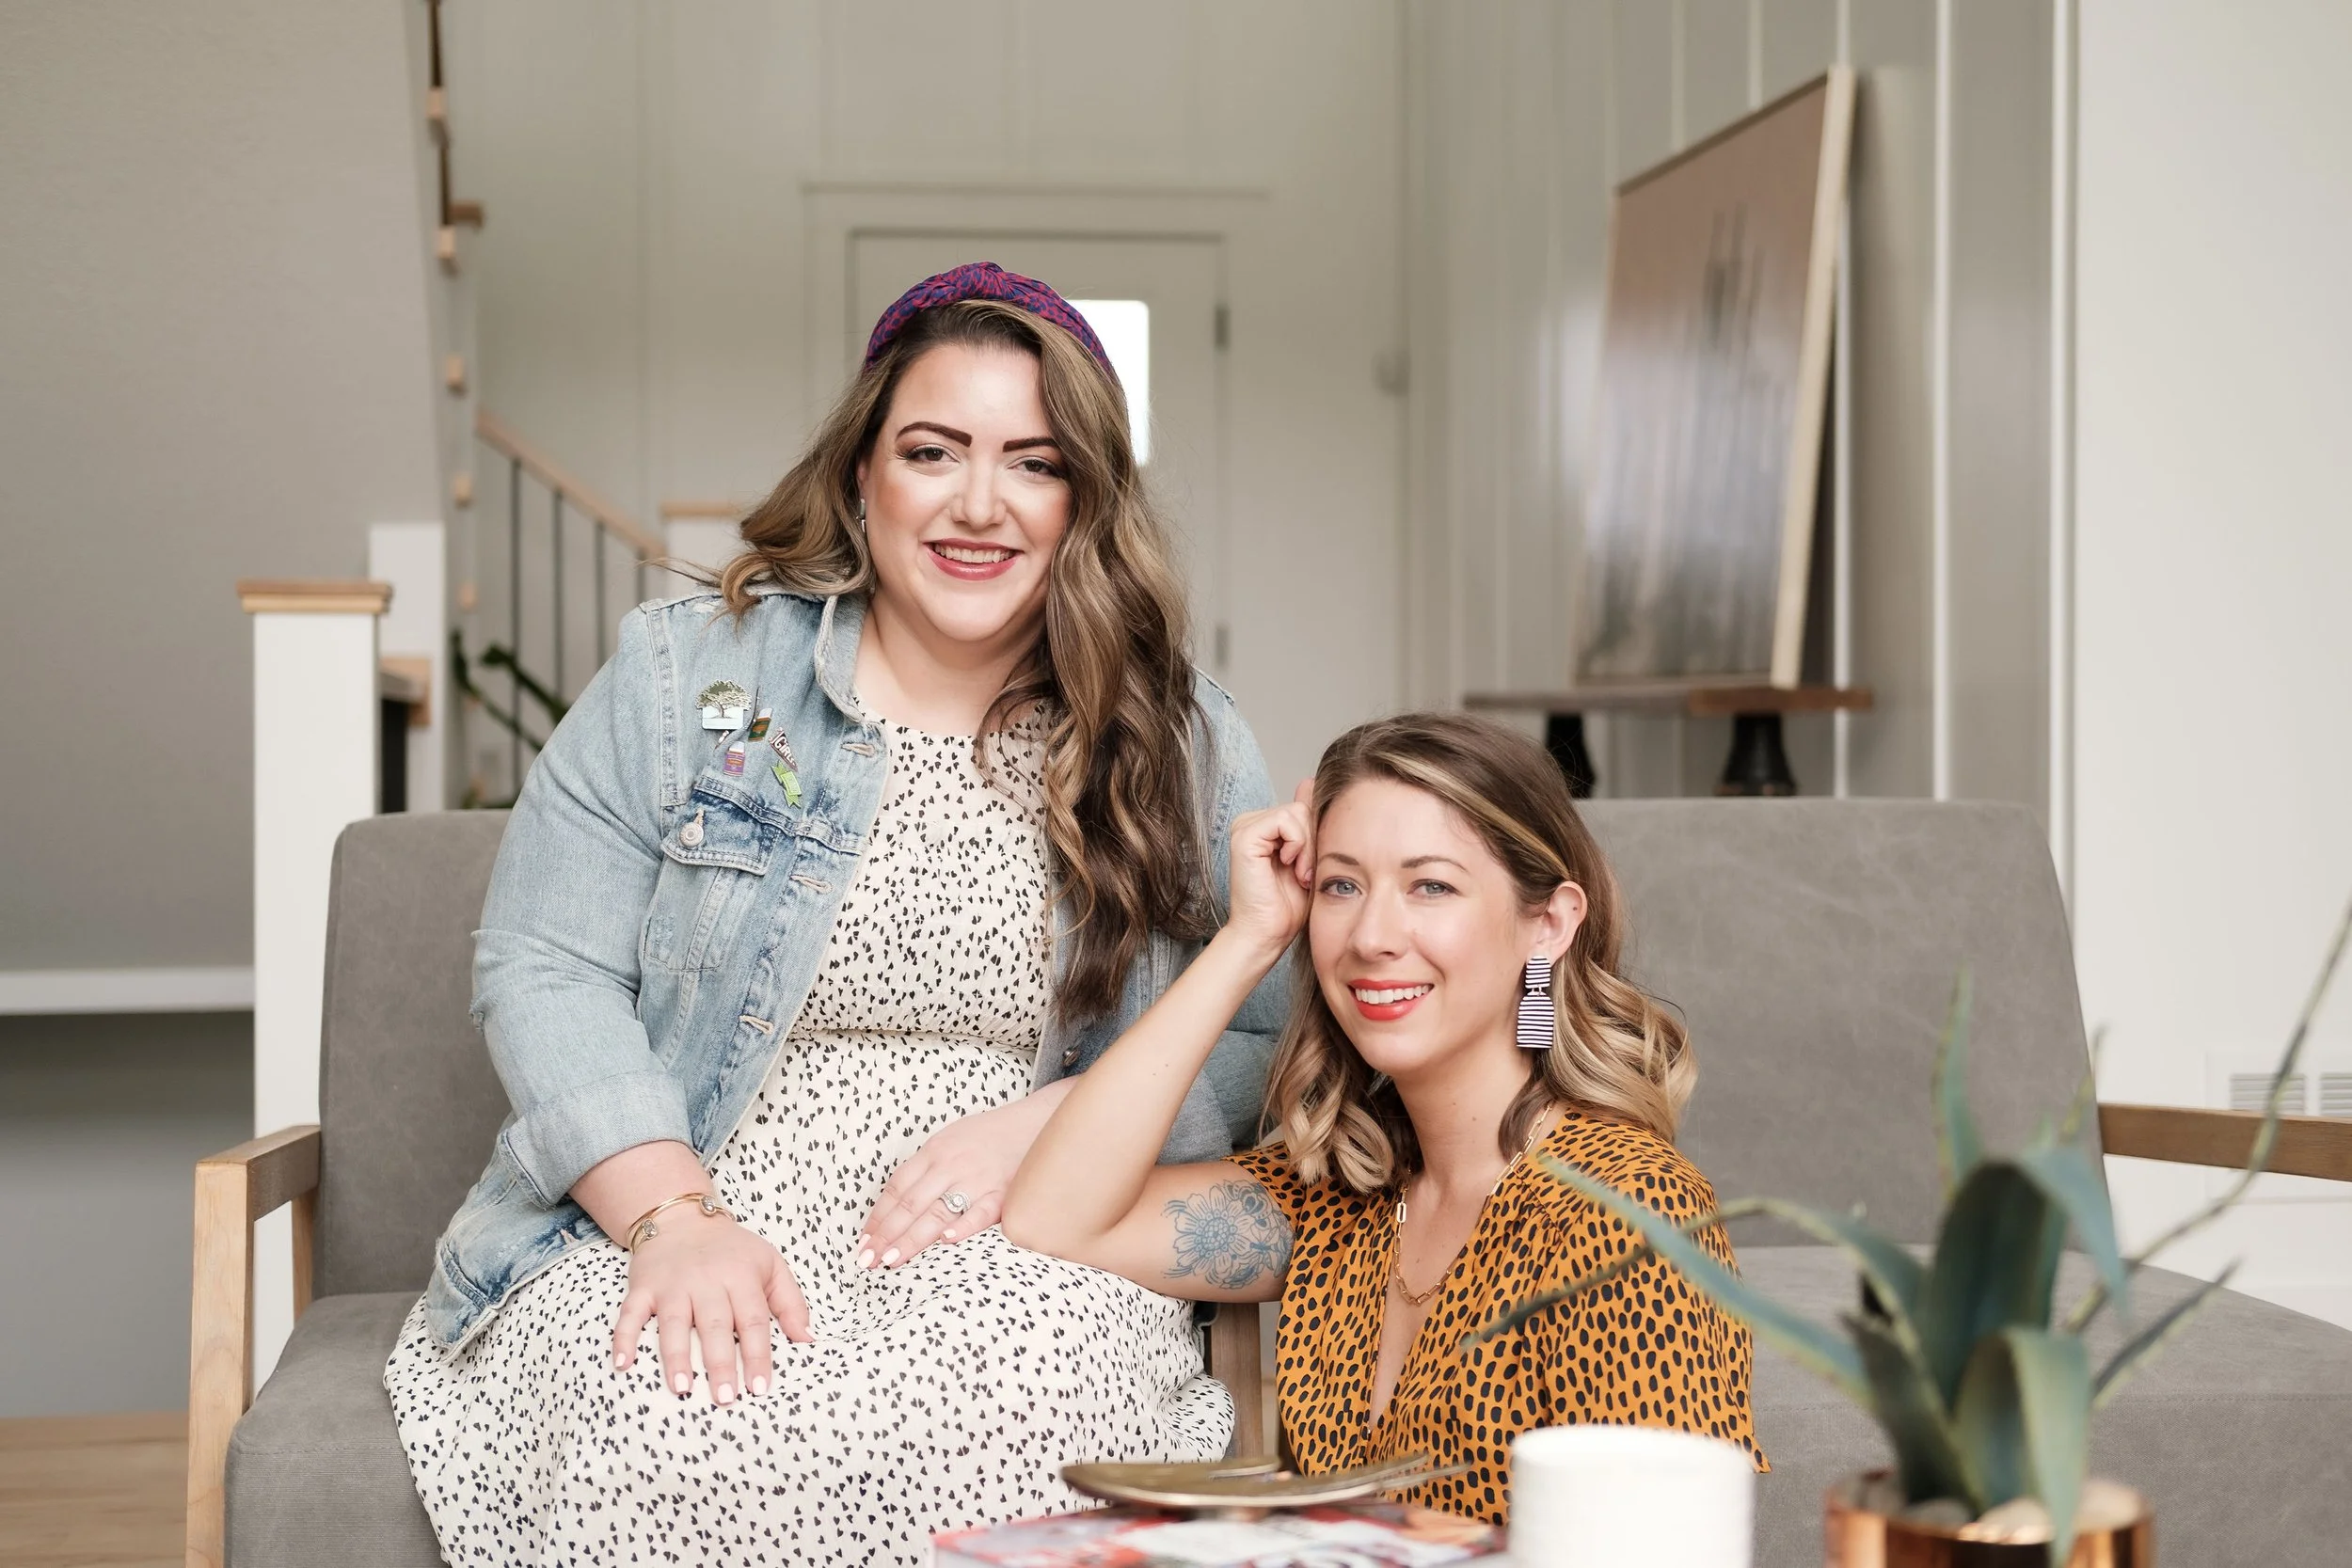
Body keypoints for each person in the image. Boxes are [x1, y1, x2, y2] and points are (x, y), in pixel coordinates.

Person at [384, 262, 1287, 1566]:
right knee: (661, 1409)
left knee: (1037, 1414)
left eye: (1034, 463)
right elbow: (542, 962)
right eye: (934, 450)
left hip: (1024, 1229)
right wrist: (674, 1221)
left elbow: (1257, 1041)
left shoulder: (1182, 733)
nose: (980, 503)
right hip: (686, 1187)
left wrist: (1051, 1123)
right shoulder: (688, 674)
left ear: (1084, 501)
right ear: (863, 471)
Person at [1003, 712, 1764, 1524]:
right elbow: (1057, 1217)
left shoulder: (1630, 1218)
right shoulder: (1343, 1196)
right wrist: (1250, 936)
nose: (1371, 935)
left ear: (1548, 922)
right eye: (1342, 885)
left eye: (1430, 885)